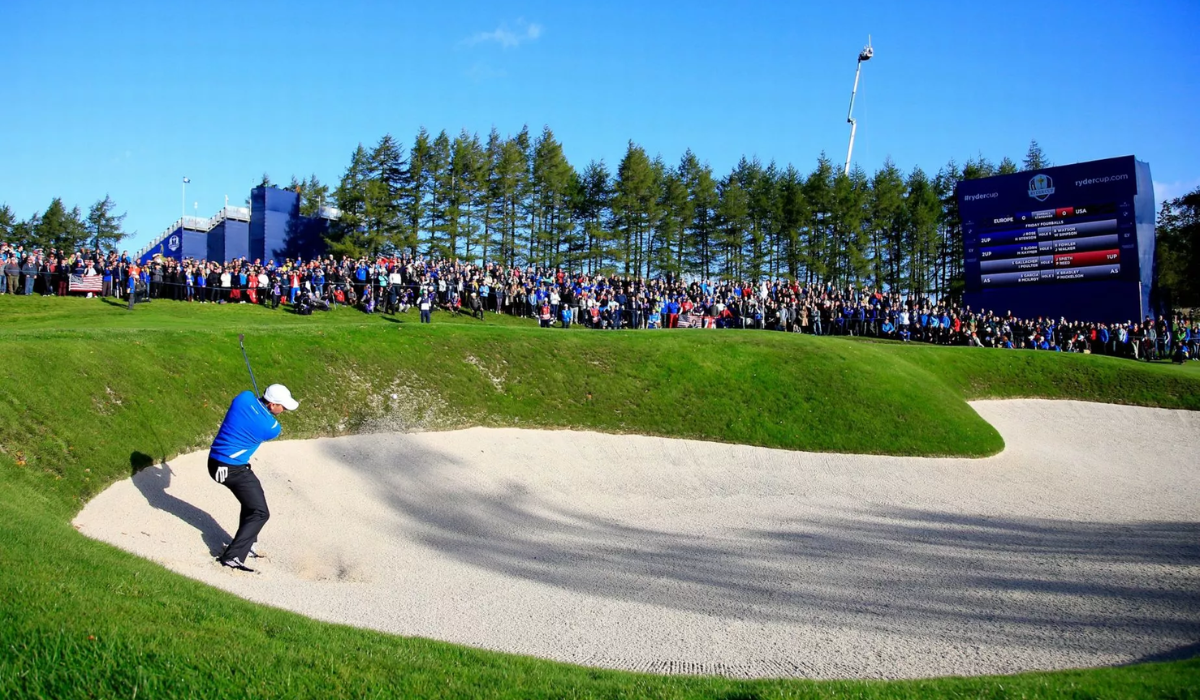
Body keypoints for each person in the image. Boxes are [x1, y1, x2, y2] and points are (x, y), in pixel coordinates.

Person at [208, 383, 299, 572]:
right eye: (282, 406)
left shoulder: (244, 397)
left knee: (253, 504)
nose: (284, 410)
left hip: (218, 462)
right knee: (260, 513)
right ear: (272, 405)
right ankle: (232, 557)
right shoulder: (272, 427)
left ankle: (247, 544)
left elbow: (252, 402)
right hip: (228, 468)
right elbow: (263, 420)